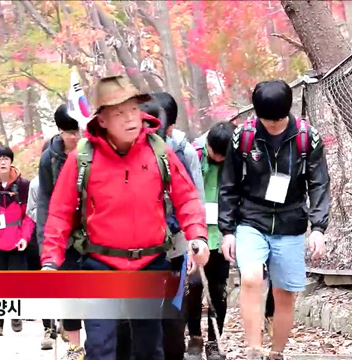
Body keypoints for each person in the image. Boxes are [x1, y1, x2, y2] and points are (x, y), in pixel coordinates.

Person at [40, 74, 210, 360]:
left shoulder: (159, 150)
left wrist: (198, 236)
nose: (131, 118)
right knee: (100, 348)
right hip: (99, 264)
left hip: (150, 263)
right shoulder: (83, 157)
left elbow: (187, 196)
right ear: (102, 120)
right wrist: (49, 262)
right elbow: (59, 213)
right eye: (119, 112)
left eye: (133, 109)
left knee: (148, 347)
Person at [218, 80, 330, 360]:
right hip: (251, 218)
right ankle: (253, 349)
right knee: (252, 278)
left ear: (287, 113)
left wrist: (318, 228)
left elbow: (318, 183)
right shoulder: (242, 136)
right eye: (266, 121)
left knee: (284, 293)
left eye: (277, 121)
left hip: (290, 221)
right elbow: (228, 184)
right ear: (257, 115)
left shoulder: (307, 137)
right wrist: (227, 230)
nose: (272, 126)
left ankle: (276, 353)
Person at [140, 93, 205, 360]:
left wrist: (196, 238)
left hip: (175, 245)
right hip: (139, 251)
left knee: (172, 315)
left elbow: (192, 198)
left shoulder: (182, 152)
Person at [186, 121, 237, 360]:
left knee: (218, 290)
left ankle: (214, 342)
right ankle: (194, 338)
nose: (216, 158)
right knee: (194, 286)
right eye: (213, 153)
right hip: (196, 233)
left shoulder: (237, 158)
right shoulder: (194, 154)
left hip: (222, 233)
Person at [36, 104, 84, 355]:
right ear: (59, 131)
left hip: (93, 234)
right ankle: (75, 346)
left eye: (77, 130)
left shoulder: (93, 152)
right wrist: (47, 249)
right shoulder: (49, 159)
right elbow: (44, 202)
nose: (74, 137)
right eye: (69, 132)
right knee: (69, 291)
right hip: (63, 236)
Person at [0, 146, 35, 336]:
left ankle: (16, 315)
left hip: (17, 241)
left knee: (17, 280)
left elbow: (28, 216)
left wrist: (25, 237)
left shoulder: (23, 185)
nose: (3, 162)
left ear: (11, 161)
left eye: (6, 158)